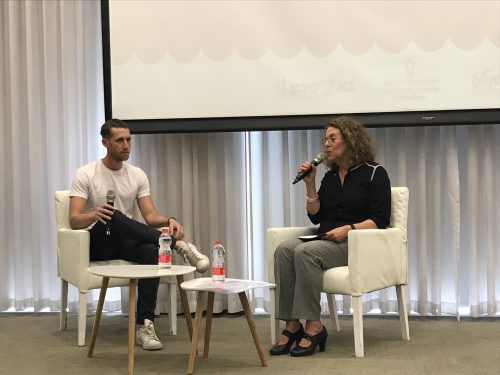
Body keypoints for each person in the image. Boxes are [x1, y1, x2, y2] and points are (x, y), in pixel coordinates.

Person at [69, 118, 209, 350]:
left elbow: (151, 217)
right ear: (105, 143)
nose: (126, 145)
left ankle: (145, 325)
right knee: (112, 215)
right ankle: (179, 246)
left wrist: (169, 219)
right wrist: (94, 214)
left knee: (152, 251)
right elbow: (74, 220)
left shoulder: (137, 175)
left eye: (128, 140)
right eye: (119, 140)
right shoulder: (86, 173)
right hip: (96, 240)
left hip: (124, 239)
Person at [269, 116, 391, 357]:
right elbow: (316, 217)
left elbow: (380, 219)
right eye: (325, 139)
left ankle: (314, 326)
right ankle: (292, 324)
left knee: (304, 252)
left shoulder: (375, 173)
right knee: (284, 250)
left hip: (354, 242)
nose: (326, 144)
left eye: (332, 138)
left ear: (351, 141)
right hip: (325, 238)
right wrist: (310, 185)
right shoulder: (330, 177)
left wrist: (348, 229)